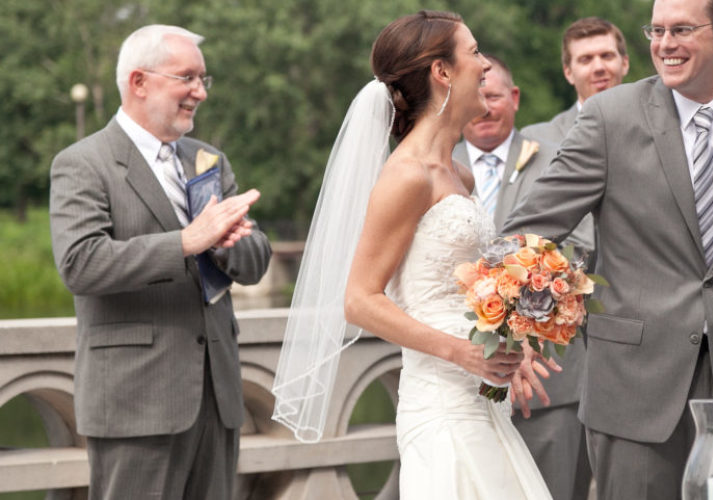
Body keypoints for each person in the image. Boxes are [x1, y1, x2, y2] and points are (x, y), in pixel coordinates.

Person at [502, 0, 713, 497]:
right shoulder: (609, 117)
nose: (665, 44)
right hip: (632, 389)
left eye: (682, 29)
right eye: (657, 30)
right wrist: (525, 330)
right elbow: (527, 234)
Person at [270, 11, 551, 499]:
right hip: (441, 404)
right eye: (474, 52)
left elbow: (472, 286)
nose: (485, 66)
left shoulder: (459, 175)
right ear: (442, 73)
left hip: (483, 398)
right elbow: (359, 300)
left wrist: (514, 339)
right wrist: (461, 352)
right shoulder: (407, 176)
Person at [49, 24, 271, 499]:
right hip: (135, 402)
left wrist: (226, 244)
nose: (200, 93)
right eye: (188, 78)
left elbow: (255, 261)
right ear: (139, 81)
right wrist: (188, 241)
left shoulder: (208, 160)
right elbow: (80, 263)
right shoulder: (83, 162)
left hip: (218, 396)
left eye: (203, 80)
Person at [453, 53, 591, 500]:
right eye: (479, 96)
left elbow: (581, 247)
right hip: (457, 373)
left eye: (495, 96)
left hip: (550, 381)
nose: (486, 108)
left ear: (513, 98)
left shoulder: (559, 158)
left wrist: (522, 316)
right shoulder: (434, 164)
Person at [522, 16, 630, 145]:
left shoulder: (656, 126)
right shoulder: (536, 140)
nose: (598, 67)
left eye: (606, 56)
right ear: (568, 73)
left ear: (624, 64)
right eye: (586, 59)